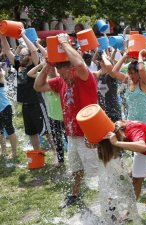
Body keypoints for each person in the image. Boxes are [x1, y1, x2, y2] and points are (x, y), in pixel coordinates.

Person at [34, 33, 100, 208]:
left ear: (72, 69)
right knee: (76, 168)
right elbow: (38, 86)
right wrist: (48, 65)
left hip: (89, 135)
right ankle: (75, 194)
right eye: (61, 76)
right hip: (72, 134)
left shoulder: (86, 78)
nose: (63, 79)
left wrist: (64, 43)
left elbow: (79, 63)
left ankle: (108, 202)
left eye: (65, 75)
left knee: (97, 171)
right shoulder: (61, 81)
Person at [1, 30, 42, 150]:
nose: (20, 54)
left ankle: (55, 154)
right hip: (25, 104)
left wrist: (23, 35)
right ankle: (37, 153)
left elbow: (34, 50)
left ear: (29, 56)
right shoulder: (18, 65)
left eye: (24, 53)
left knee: (46, 131)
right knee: (31, 132)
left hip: (37, 102)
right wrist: (2, 35)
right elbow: (7, 50)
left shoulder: (34, 64)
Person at [0, 67, 17, 158]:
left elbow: (2, 73)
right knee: (0, 131)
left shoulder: (0, 75)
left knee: (9, 129)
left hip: (5, 107)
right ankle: (3, 150)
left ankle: (14, 152)